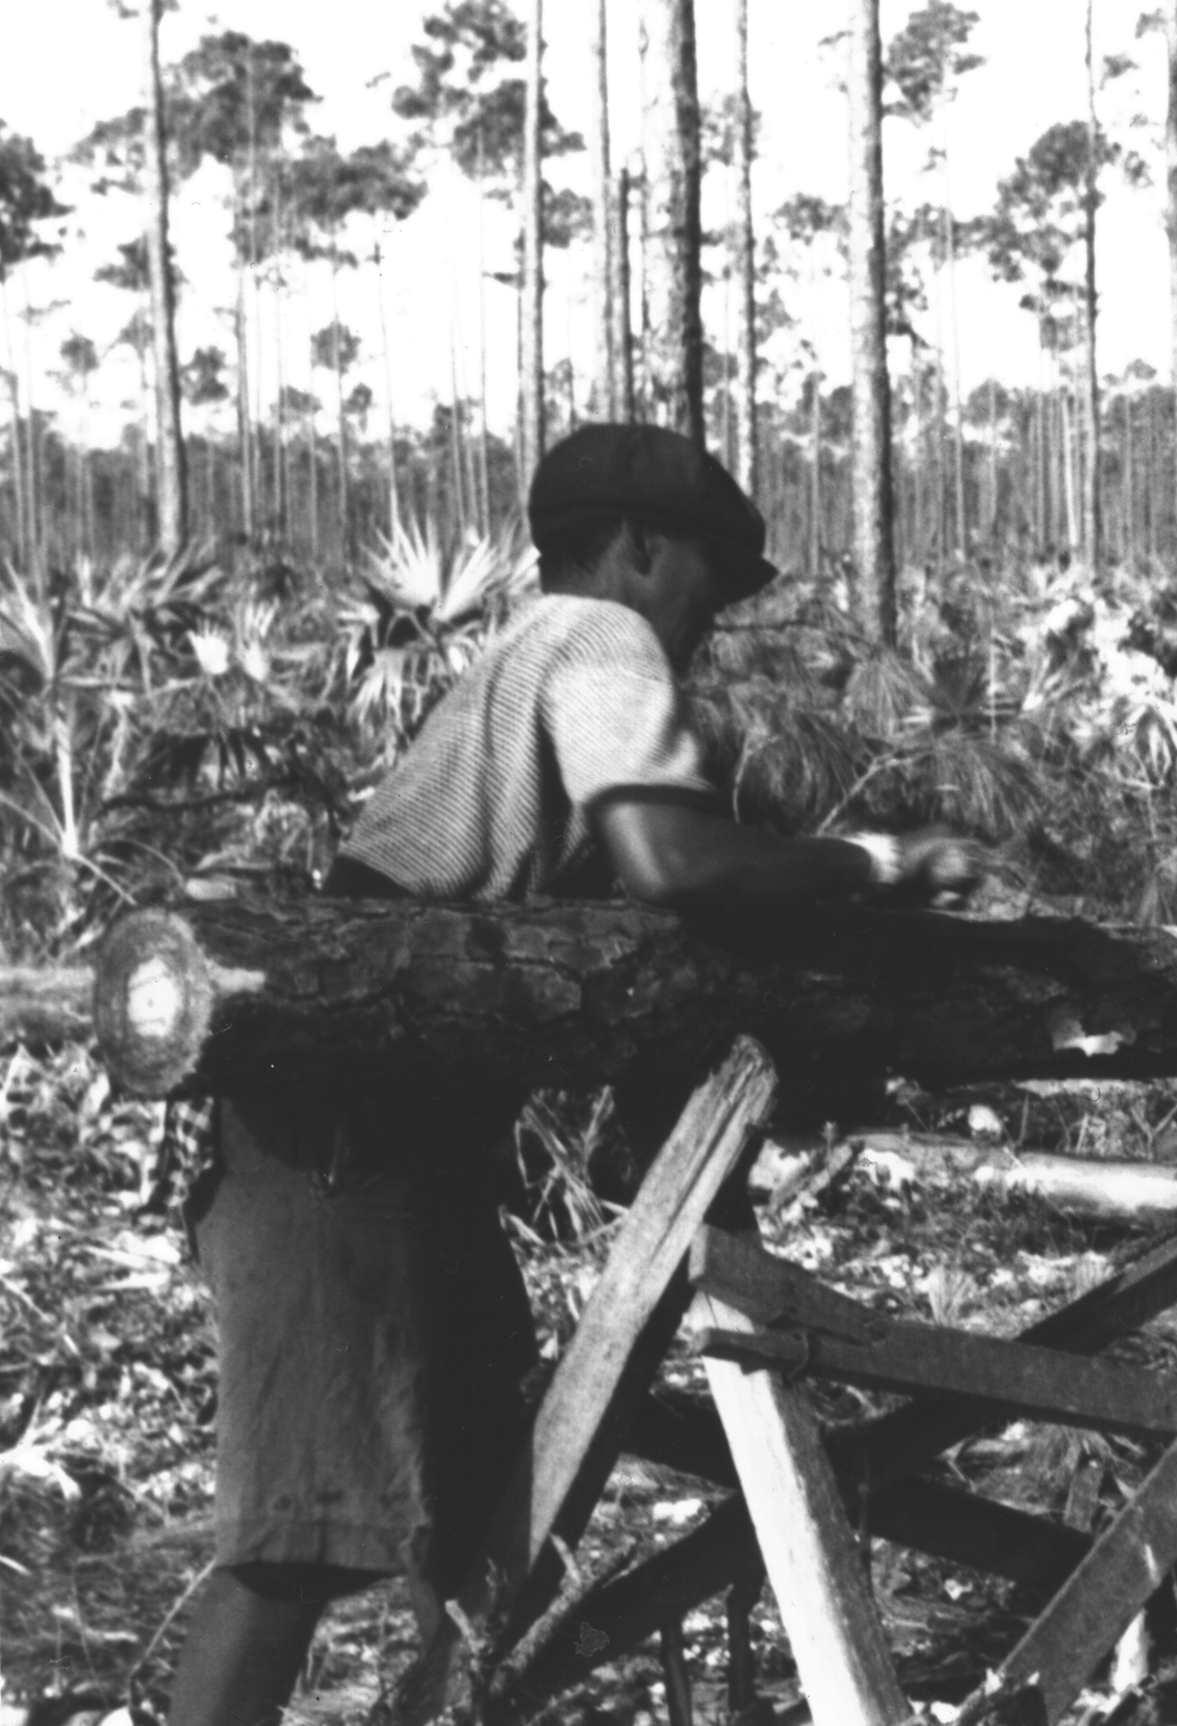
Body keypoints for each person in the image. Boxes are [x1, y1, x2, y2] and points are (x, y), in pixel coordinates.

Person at [170, 423, 983, 1726]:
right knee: (294, 1541)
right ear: (641, 548)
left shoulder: (531, 661)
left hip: (406, 1141)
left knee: (496, 1520)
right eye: (706, 583)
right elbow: (676, 863)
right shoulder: (596, 637)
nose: (708, 621)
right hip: (339, 1136)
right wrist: (876, 864)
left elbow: (646, 932)